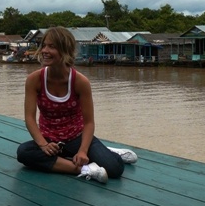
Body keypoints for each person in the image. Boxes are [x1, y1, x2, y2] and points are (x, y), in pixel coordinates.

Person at [16, 26, 137, 184]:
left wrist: (83, 151)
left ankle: (108, 151)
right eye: (44, 45)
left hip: (76, 137)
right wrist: (43, 144)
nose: (44, 50)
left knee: (114, 168)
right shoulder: (34, 80)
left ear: (65, 50)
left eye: (52, 46)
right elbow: (30, 118)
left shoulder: (80, 82)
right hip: (49, 139)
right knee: (23, 152)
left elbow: (89, 122)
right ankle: (86, 170)